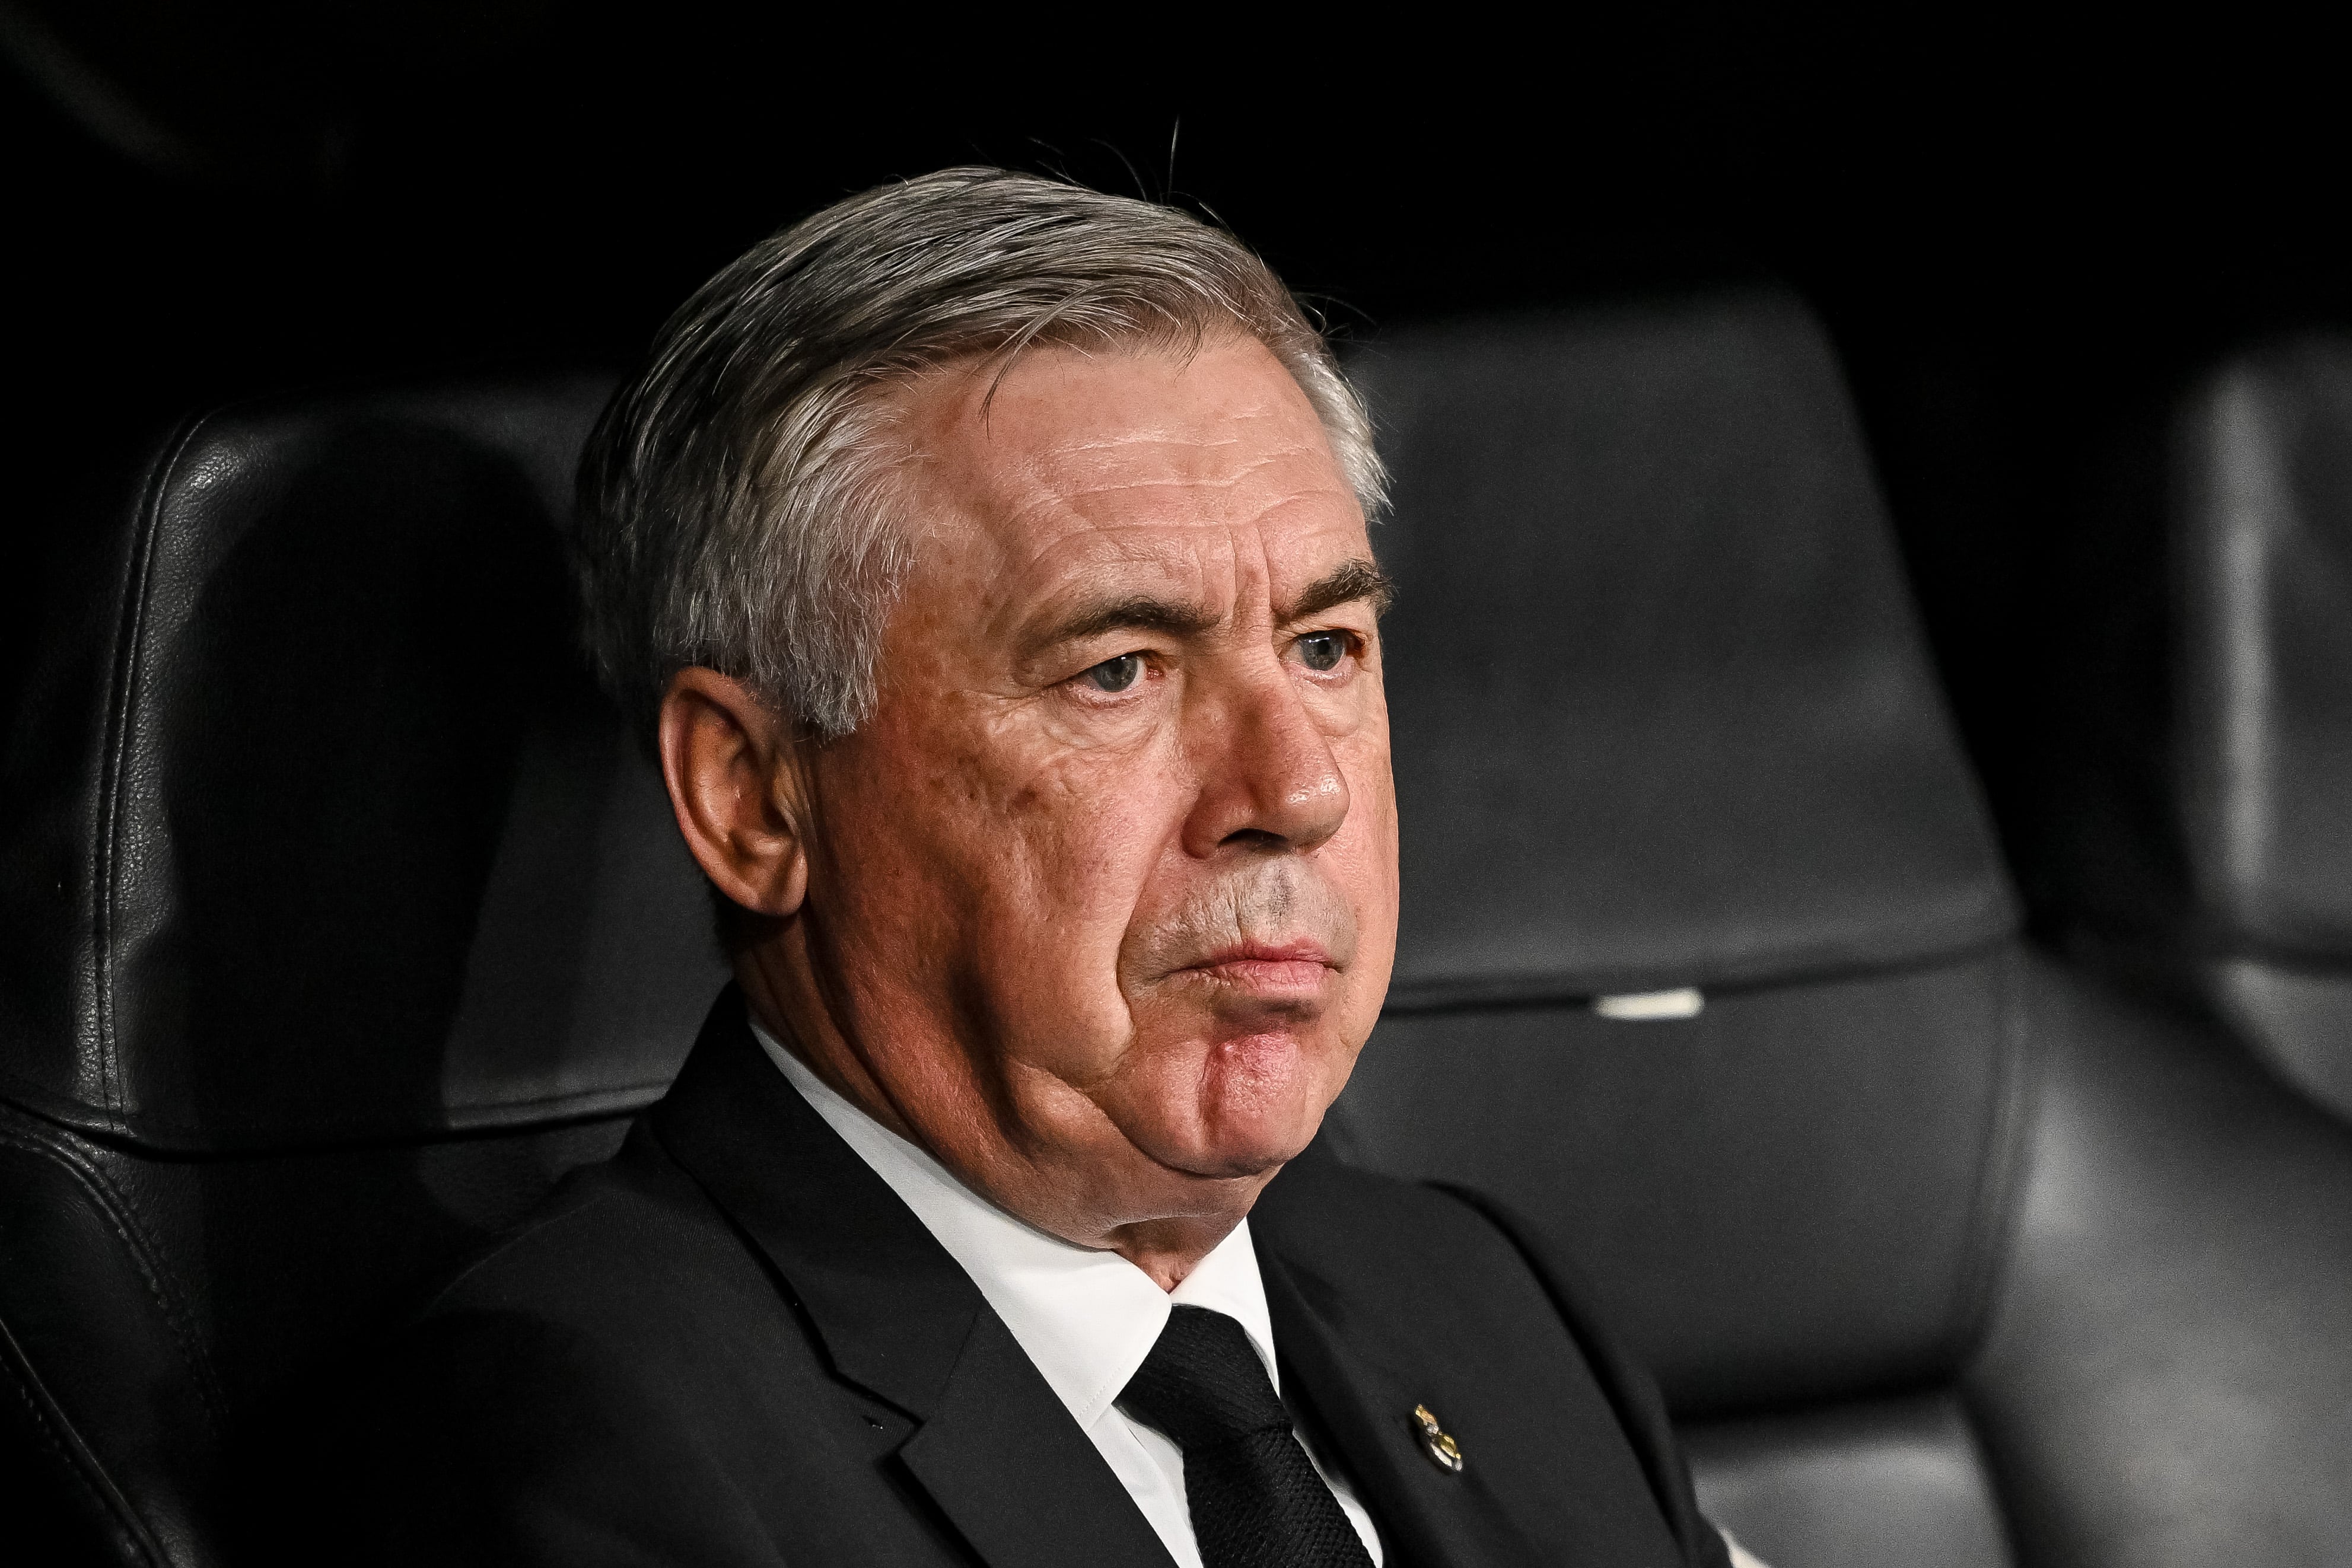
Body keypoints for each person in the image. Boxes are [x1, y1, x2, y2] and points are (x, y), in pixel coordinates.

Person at [359, 167, 1748, 1568]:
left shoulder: (1483, 1295)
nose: (1301, 788)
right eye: (1119, 670)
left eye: (1326, 646)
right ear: (754, 798)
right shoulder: (589, 1429)